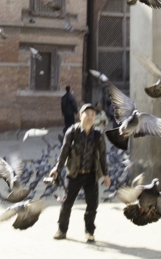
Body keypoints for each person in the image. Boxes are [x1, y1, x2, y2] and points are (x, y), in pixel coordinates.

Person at [48, 103, 110, 243]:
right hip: (74, 174)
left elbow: (103, 156)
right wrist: (57, 169)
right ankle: (62, 230)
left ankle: (89, 231)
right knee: (67, 203)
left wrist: (105, 175)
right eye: (86, 114)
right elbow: (64, 152)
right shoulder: (72, 132)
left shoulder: (98, 135)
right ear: (80, 116)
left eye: (92, 115)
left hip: (91, 174)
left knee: (92, 205)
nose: (90, 117)